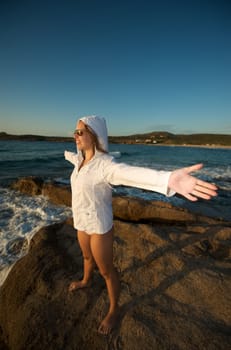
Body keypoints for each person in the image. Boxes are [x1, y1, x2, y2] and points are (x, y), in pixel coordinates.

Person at [64, 115, 218, 335]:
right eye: (75, 132)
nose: (75, 136)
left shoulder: (106, 165)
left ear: (94, 135)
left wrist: (167, 180)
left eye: (80, 132)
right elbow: (75, 162)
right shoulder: (80, 161)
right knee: (87, 258)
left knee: (107, 271)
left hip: (98, 225)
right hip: (81, 221)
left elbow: (130, 174)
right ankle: (86, 280)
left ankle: (114, 309)